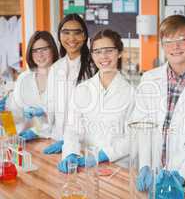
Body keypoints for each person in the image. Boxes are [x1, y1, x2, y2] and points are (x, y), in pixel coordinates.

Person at [131, 15, 185, 198]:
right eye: (168, 41)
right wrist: (145, 164)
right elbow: (141, 126)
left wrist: (181, 177)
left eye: (181, 40)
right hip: (152, 181)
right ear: (162, 45)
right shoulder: (149, 80)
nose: (175, 47)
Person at [57, 29, 135, 173]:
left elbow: (133, 137)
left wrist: (103, 155)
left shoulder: (131, 93)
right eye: (97, 52)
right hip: (85, 166)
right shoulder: (82, 89)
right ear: (92, 55)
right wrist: (71, 153)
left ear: (119, 52)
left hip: (116, 168)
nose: (103, 56)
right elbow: (72, 129)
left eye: (109, 50)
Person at [44, 14, 94, 154]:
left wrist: (70, 141)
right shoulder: (55, 68)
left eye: (77, 33)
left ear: (84, 36)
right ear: (59, 36)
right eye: (66, 33)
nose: (71, 38)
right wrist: (39, 127)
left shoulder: (93, 68)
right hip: (56, 141)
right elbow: (51, 107)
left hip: (82, 146)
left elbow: (94, 114)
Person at [1, 31, 59, 139]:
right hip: (27, 143)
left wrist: (37, 131)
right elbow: (13, 116)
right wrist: (3, 115)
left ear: (53, 50)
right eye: (35, 51)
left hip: (54, 141)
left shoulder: (62, 77)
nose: (40, 55)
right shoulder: (24, 78)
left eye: (44, 49)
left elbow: (66, 118)